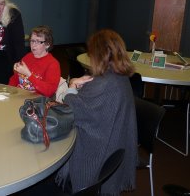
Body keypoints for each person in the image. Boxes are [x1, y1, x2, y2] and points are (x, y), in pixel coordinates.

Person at [55, 29, 137, 195]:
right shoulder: (119, 77)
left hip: (98, 155)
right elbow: (93, 105)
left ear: (99, 55)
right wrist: (81, 86)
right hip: (115, 145)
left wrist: (71, 88)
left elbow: (74, 111)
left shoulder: (104, 84)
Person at [8, 25, 60, 97]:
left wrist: (28, 74)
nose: (33, 45)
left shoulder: (53, 64)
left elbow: (49, 91)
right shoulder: (27, 57)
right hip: (19, 96)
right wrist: (9, 92)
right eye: (32, 41)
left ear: (47, 44)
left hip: (36, 102)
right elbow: (15, 79)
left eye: (38, 41)